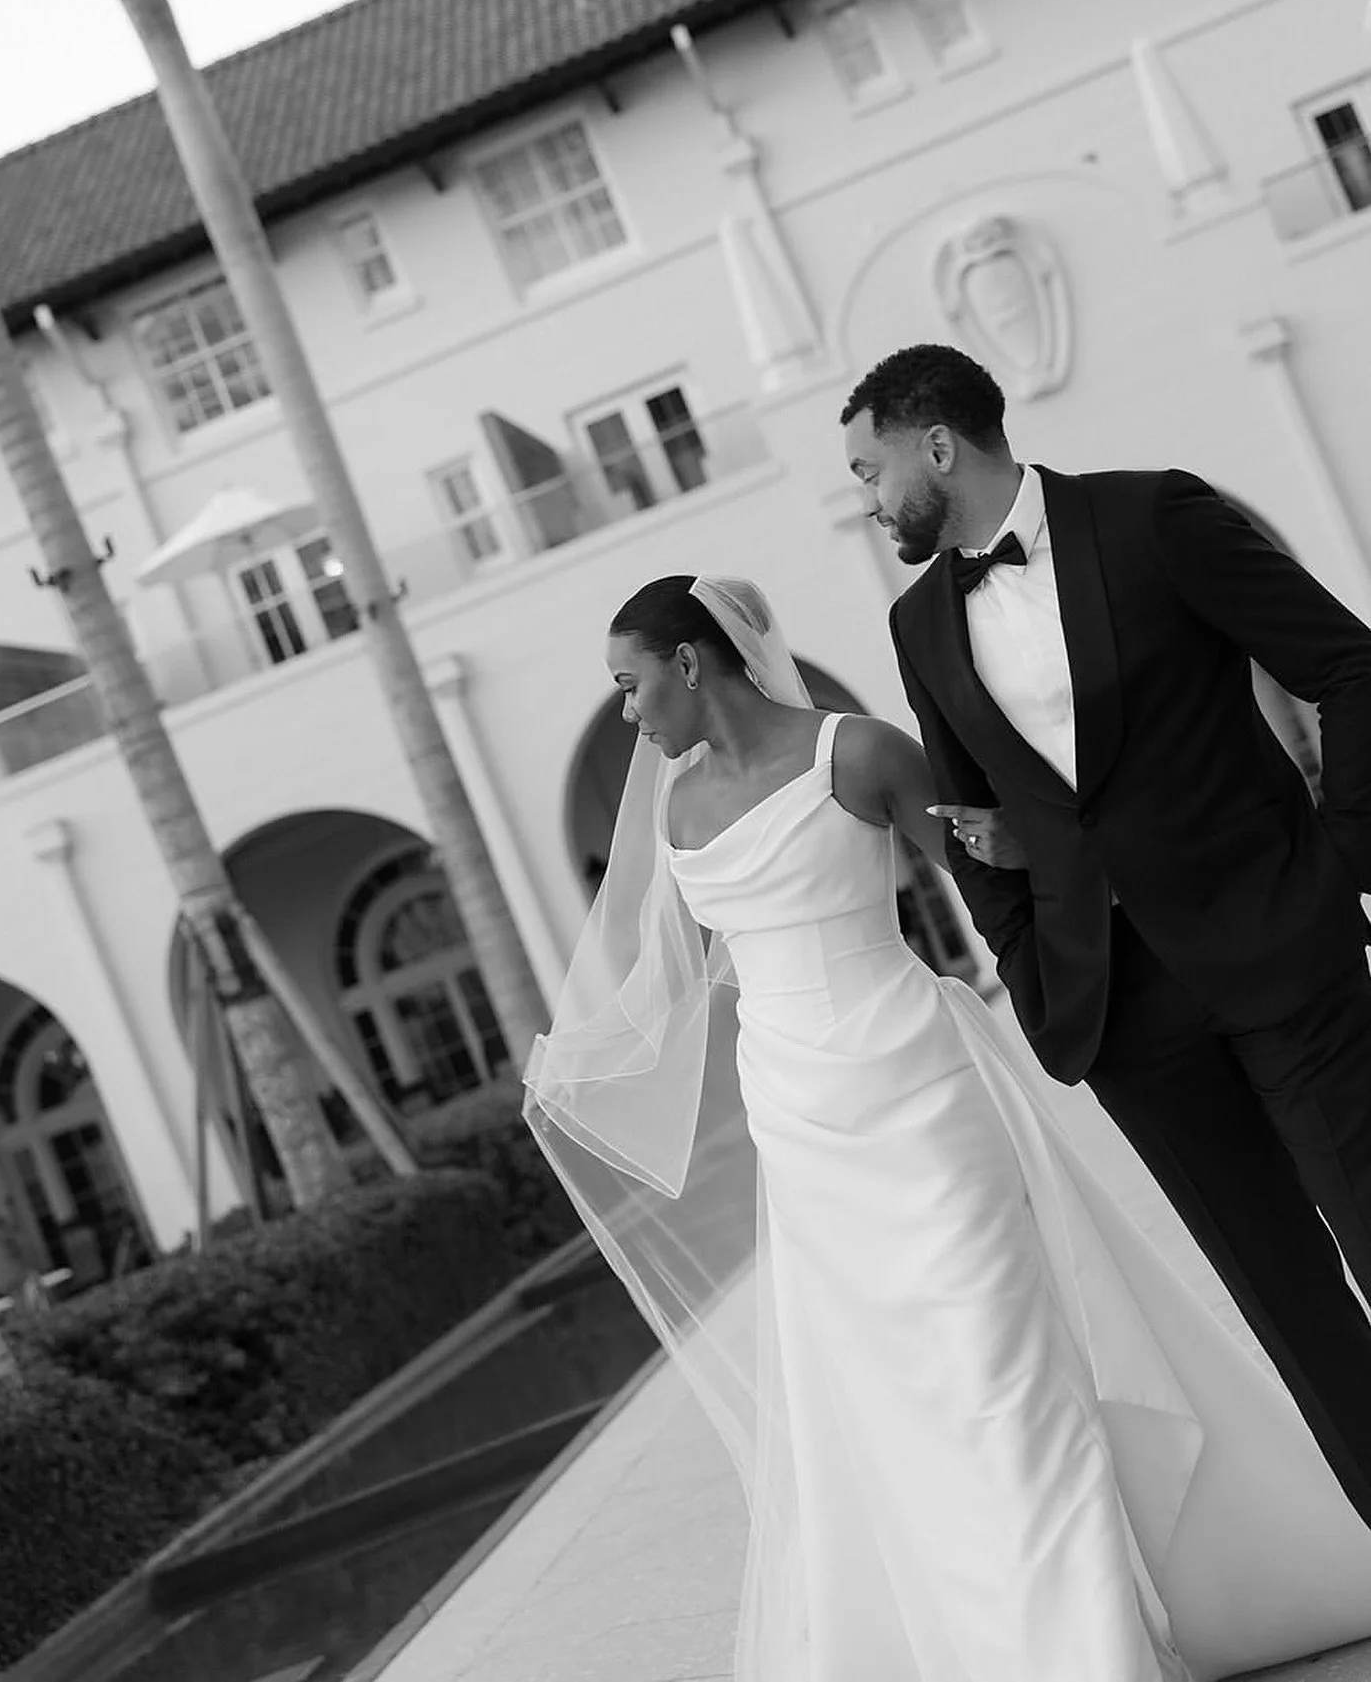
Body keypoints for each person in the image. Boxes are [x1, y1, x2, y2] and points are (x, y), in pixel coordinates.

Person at [525, 574, 1371, 1682]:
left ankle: (1092, 1651)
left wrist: (1070, 944)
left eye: (630, 683)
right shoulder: (676, 808)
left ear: (690, 662)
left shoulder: (861, 754)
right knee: (887, 1389)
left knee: (1000, 1358)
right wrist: (579, 1067)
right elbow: (672, 976)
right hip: (795, 1109)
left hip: (915, 1081)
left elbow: (998, 879)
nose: (626, 713)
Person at [841, 341, 1371, 1533]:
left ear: (939, 446)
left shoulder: (1152, 516)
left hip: (1280, 948)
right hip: (1124, 1010)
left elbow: (1347, 663)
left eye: (871, 472)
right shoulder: (919, 623)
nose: (868, 504)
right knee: (1288, 1306)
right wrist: (1029, 970)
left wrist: (1341, 861)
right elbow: (969, 822)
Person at [0, 1193, 45, 1313]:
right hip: (6, 1266)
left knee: (29, 1293)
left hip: (15, 1261)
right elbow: (5, 1236)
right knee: (18, 1298)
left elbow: (14, 1227)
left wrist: (12, 1209)